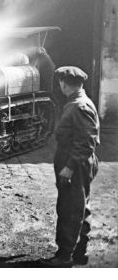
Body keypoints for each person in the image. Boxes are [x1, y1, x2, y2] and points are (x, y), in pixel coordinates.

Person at [44, 66, 100, 267]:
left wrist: (69, 167)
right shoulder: (77, 102)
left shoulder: (79, 106)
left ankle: (64, 257)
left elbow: (86, 142)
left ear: (63, 83)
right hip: (78, 163)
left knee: (70, 210)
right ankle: (79, 253)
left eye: (60, 82)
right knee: (80, 207)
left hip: (75, 165)